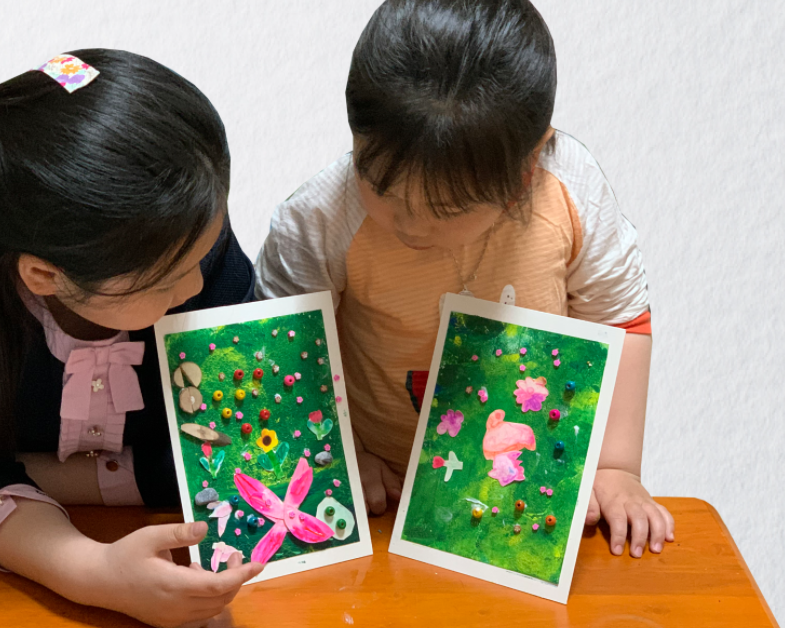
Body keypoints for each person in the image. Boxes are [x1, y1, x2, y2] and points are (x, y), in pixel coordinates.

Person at [255, 0, 675, 559]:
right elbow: (287, 353)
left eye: (446, 209)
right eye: (379, 185)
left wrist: (616, 467)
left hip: (522, 492)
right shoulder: (320, 220)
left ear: (527, 168)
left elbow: (620, 320)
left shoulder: (570, 194)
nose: (409, 224)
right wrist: (339, 454)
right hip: (381, 489)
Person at [0, 49, 261, 627]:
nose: (200, 284)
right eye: (167, 278)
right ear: (44, 275)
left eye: (210, 244)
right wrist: (94, 573)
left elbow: (236, 450)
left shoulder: (182, 241)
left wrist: (42, 473)